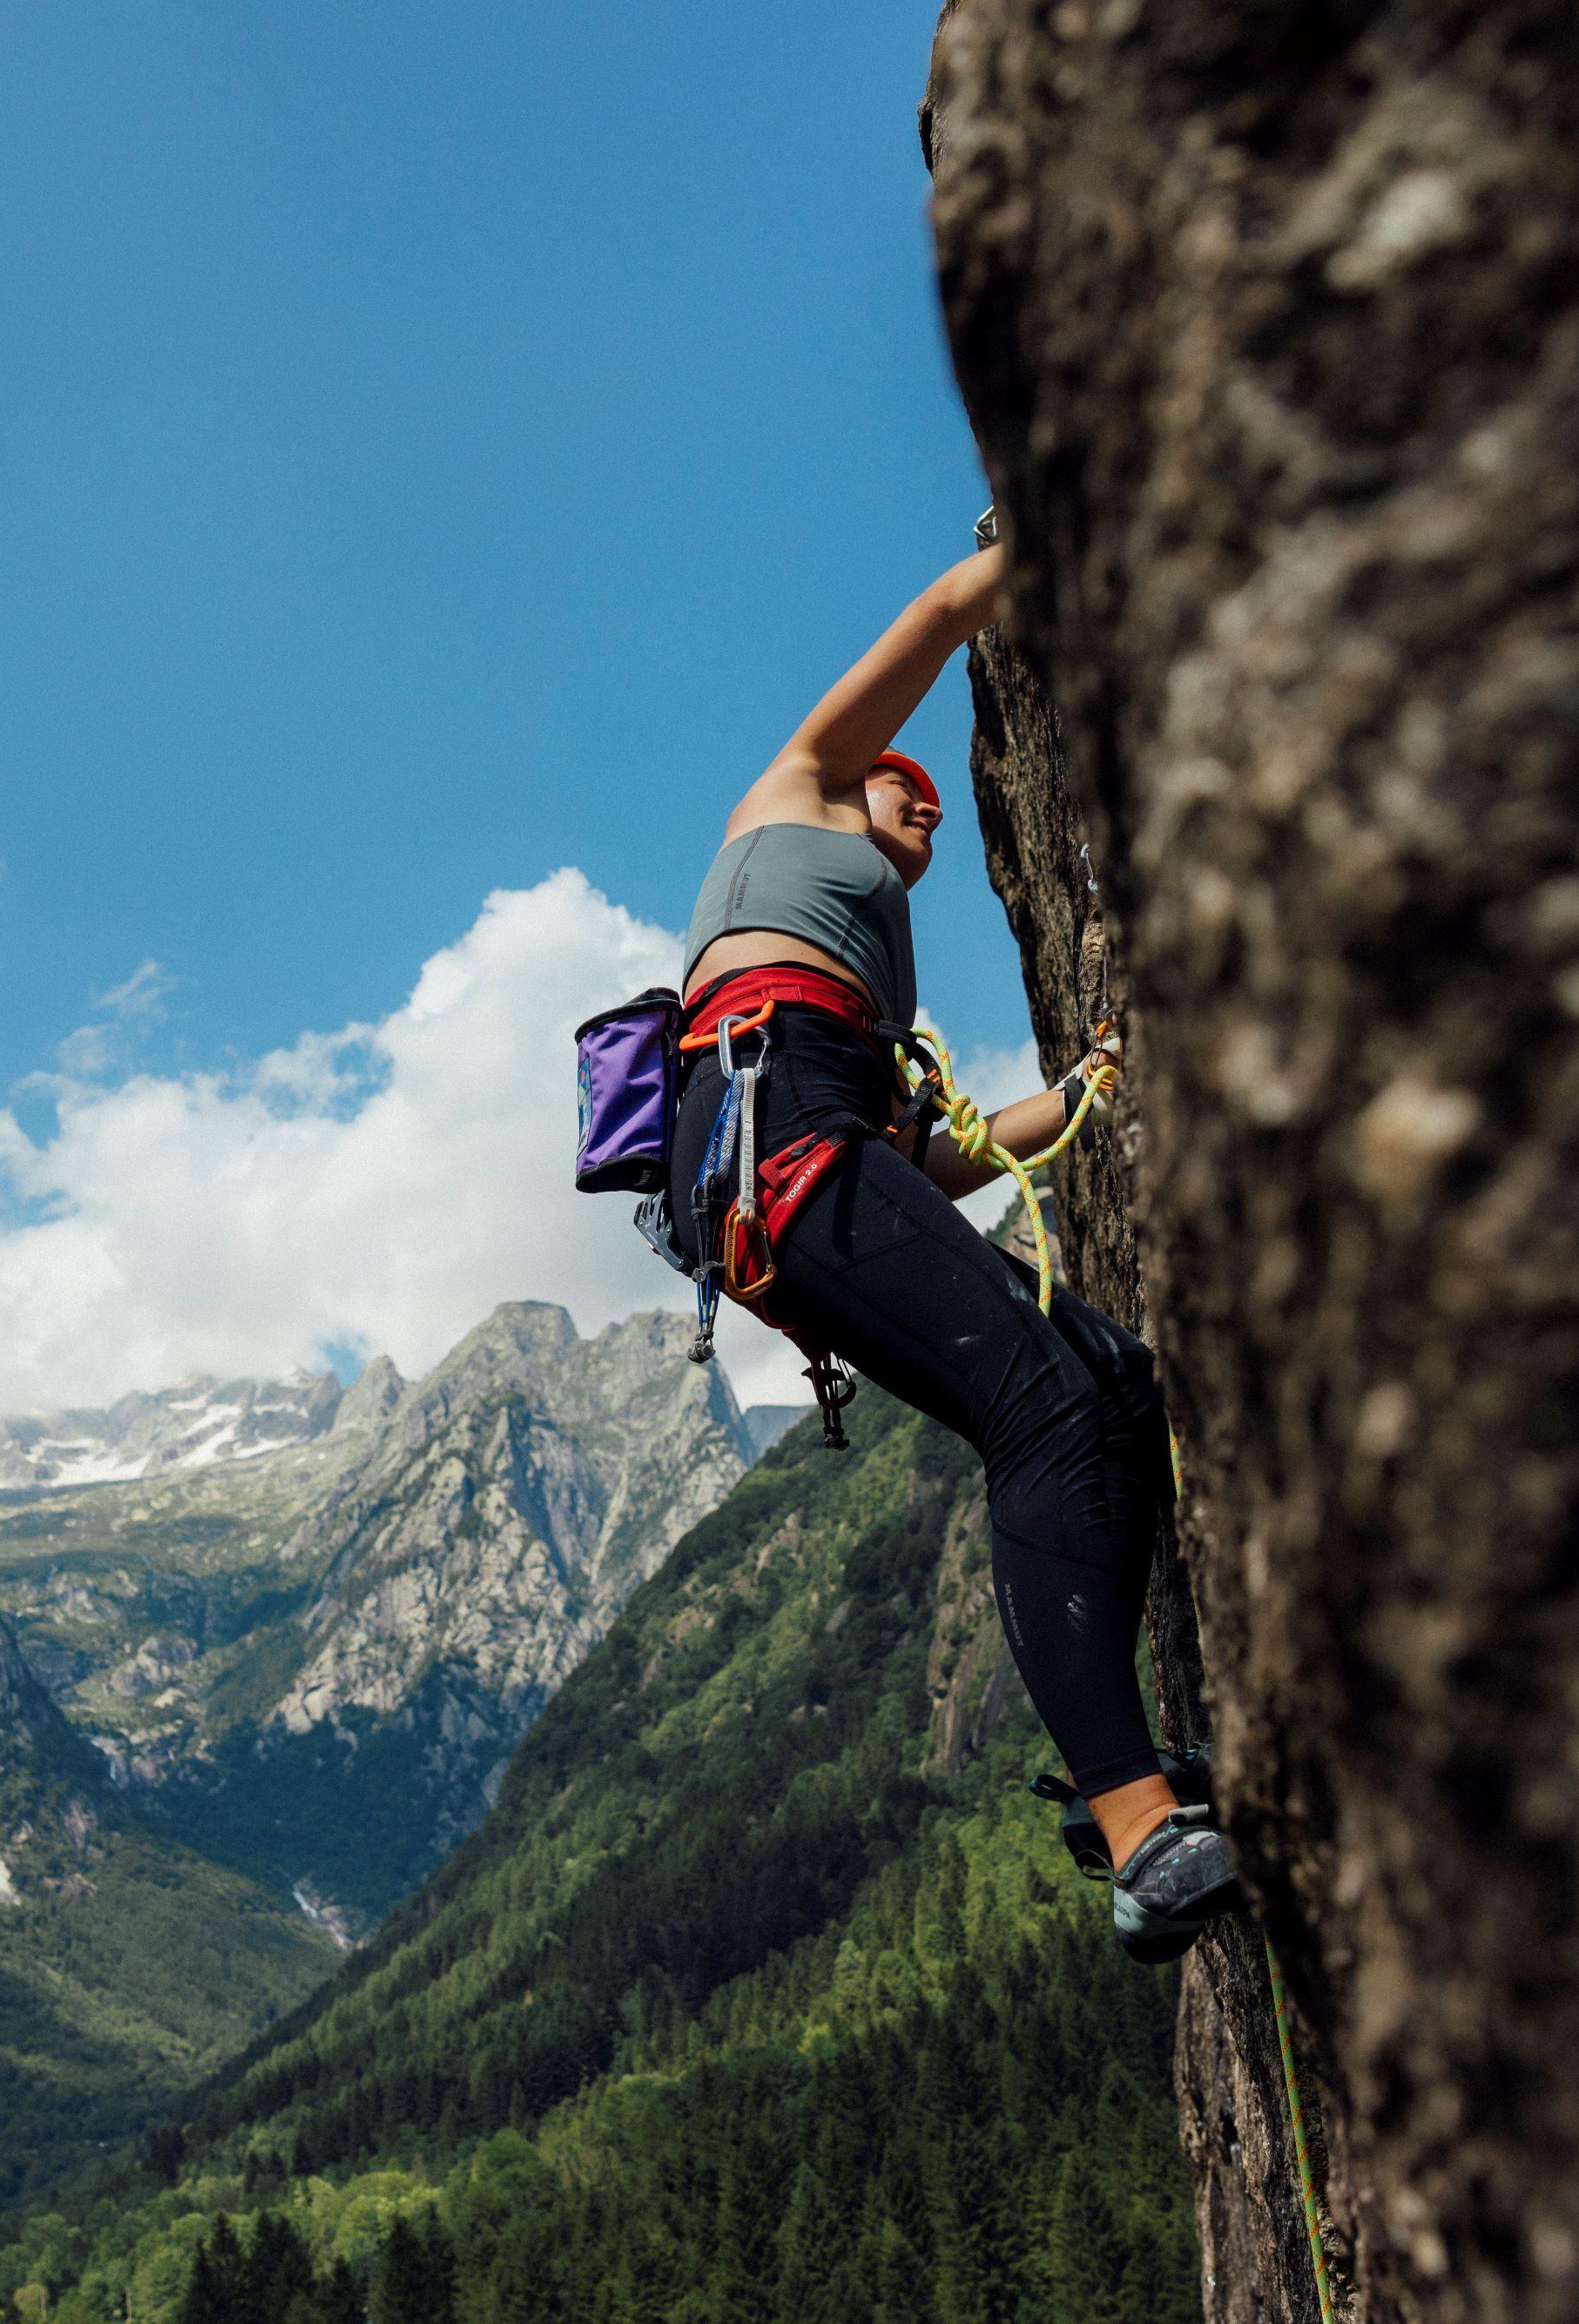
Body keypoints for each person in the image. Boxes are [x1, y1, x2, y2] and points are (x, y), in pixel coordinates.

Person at [663, 543, 1246, 1964]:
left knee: (1113, 1380)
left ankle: (1132, 1782)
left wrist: (1096, 1081)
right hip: (779, 1134)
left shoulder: (870, 972)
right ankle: (1137, 1835)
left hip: (813, 1147)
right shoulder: (789, 796)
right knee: (1039, 1406)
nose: (913, 806)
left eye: (929, 812)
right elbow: (933, 619)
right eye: (897, 786)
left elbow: (944, 1159)